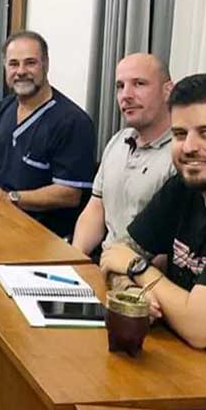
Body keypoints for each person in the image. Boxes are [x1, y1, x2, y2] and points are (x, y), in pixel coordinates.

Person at [99, 73, 206, 355]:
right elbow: (115, 254)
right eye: (180, 134)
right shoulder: (182, 187)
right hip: (179, 354)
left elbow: (200, 328)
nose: (189, 147)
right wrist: (129, 290)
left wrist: (137, 269)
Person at [0, 31, 96, 238]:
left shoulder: (72, 122)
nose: (21, 71)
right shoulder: (2, 108)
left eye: (30, 63)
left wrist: (8, 197)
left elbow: (69, 194)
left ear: (46, 65)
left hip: (41, 235)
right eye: (13, 64)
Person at [72, 53, 174, 258]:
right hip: (103, 261)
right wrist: (75, 258)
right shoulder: (119, 140)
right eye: (120, 86)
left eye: (139, 84)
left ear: (168, 91)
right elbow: (96, 208)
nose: (126, 95)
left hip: (143, 271)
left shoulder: (181, 155)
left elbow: (169, 247)